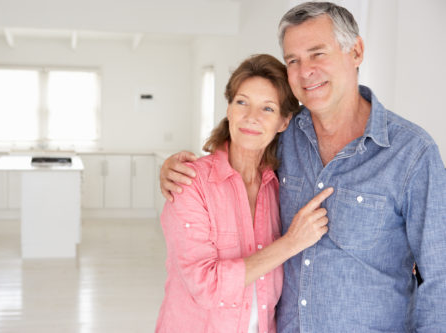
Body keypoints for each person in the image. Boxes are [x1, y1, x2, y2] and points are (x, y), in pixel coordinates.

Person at [159, 2, 446, 332]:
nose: (304, 70)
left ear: (356, 51)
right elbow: (240, 147)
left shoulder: (412, 153)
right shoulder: (286, 135)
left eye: (317, 54)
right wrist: (172, 168)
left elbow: (440, 278)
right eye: (292, 60)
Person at [155, 54, 333, 333]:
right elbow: (207, 286)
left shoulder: (280, 187)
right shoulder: (190, 183)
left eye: (267, 109)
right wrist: (291, 243)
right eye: (242, 102)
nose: (251, 118)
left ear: (284, 122)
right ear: (228, 108)